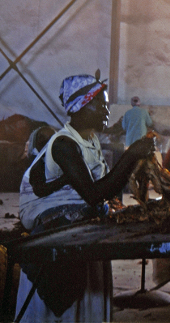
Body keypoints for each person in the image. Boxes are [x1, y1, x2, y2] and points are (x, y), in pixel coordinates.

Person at [17, 72, 155, 322]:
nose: (106, 110)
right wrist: (131, 155)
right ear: (82, 105)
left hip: (79, 229)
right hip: (53, 233)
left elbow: (105, 190)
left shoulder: (90, 140)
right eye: (101, 104)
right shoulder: (64, 145)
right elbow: (93, 195)